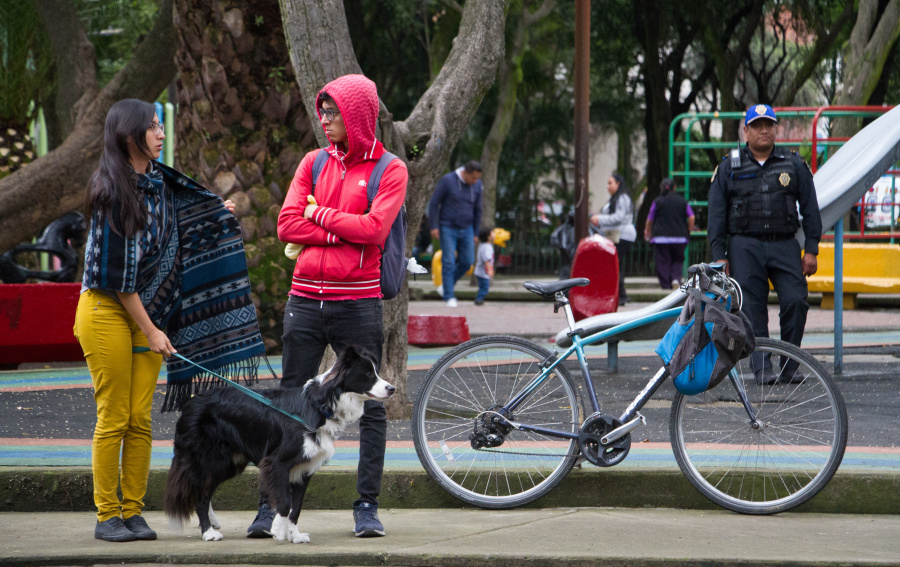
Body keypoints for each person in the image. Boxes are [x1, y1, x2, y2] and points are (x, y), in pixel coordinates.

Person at [75, 99, 262, 542]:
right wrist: (153, 329)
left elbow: (185, 216)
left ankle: (133, 512)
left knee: (140, 418)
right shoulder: (110, 190)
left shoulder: (159, 182)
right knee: (115, 415)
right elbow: (119, 280)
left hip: (147, 315)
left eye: (161, 126)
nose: (161, 134)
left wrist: (217, 215)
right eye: (153, 127)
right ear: (129, 136)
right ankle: (108, 516)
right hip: (107, 310)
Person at [273, 74, 407, 538]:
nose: (324, 120)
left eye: (333, 113)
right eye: (322, 111)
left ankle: (366, 506)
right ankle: (275, 510)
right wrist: (337, 228)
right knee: (291, 408)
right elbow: (287, 225)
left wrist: (319, 214)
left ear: (357, 116)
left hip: (358, 303)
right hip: (305, 300)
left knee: (371, 405)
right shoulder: (312, 162)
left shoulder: (390, 170)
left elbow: (374, 230)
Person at [707, 104, 822, 385]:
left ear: (776, 129)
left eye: (768, 125)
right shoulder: (729, 166)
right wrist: (719, 254)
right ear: (745, 131)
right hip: (745, 246)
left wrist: (811, 249)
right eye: (757, 125)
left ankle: (790, 366)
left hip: (784, 244)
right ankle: (762, 369)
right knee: (752, 308)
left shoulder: (793, 164)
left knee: (796, 300)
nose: (763, 130)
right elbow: (716, 214)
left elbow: (810, 209)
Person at [427, 160, 483, 307]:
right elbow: (434, 203)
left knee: (468, 261)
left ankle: (447, 285)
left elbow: (478, 209)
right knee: (449, 261)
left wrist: (476, 232)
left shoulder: (476, 185)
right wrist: (433, 226)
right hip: (448, 227)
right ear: (465, 173)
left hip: (467, 228)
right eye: (473, 178)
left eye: (478, 178)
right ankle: (449, 296)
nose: (476, 181)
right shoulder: (448, 180)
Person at [591, 174, 637, 305]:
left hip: (622, 236)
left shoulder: (622, 198)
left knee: (614, 264)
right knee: (615, 264)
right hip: (618, 235)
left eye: (610, 183)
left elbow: (619, 217)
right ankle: (620, 295)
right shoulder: (617, 198)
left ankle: (620, 295)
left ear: (618, 183)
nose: (608, 186)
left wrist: (600, 219)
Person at [644, 178, 696, 289]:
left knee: (663, 261)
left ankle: (666, 285)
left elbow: (650, 219)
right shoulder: (682, 201)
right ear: (674, 188)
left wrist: (648, 231)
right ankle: (676, 279)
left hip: (661, 238)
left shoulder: (657, 201)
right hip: (680, 237)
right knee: (677, 259)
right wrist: (689, 229)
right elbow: (691, 216)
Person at [473, 227, 495, 305]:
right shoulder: (487, 247)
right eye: (492, 232)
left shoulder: (482, 245)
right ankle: (479, 299)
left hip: (479, 271)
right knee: (485, 287)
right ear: (488, 236)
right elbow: (487, 259)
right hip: (483, 272)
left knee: (482, 286)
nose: (494, 233)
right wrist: (490, 269)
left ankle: (479, 298)